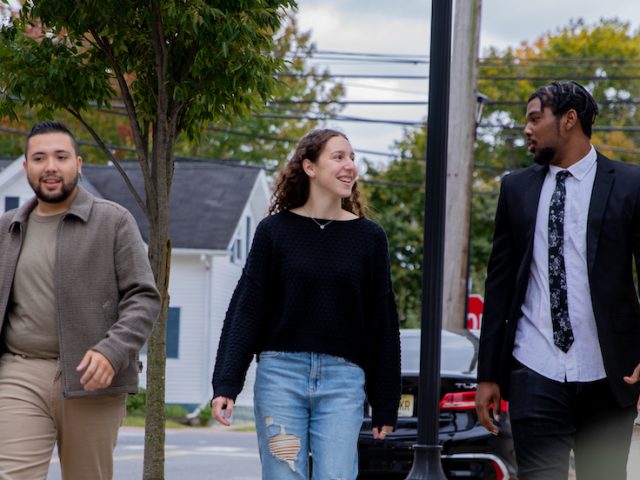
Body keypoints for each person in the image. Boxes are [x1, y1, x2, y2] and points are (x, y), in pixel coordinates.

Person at [211, 129, 400, 479]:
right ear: (310, 167)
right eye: (339, 157)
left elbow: (382, 323)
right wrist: (226, 383)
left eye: (353, 158)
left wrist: (385, 402)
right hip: (281, 376)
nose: (350, 166)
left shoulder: (369, 238)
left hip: (343, 381)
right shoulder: (274, 232)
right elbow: (247, 308)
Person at [475, 81, 640, 480]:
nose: (526, 129)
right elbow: (498, 284)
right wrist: (488, 375)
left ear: (569, 120)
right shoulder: (515, 189)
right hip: (534, 366)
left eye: (535, 119)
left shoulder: (629, 184)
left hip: (609, 371)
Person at [0, 121, 160, 480]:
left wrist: (111, 351)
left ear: (78, 164)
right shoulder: (6, 229)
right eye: (39, 158)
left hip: (91, 378)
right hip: (19, 370)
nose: (50, 166)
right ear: (26, 167)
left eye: (61, 156)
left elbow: (144, 297)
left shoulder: (113, 221)